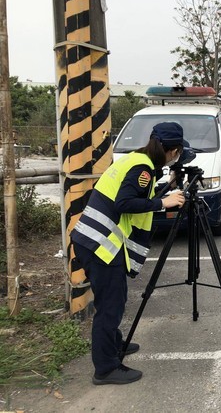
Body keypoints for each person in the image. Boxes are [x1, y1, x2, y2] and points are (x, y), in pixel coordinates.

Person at [70, 122, 187, 385]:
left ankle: (114, 345)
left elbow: (136, 194)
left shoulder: (137, 160)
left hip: (93, 241)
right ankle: (106, 368)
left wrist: (166, 188)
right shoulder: (142, 168)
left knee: (113, 299)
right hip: (101, 245)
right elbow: (125, 202)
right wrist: (163, 203)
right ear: (173, 151)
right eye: (178, 152)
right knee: (110, 307)